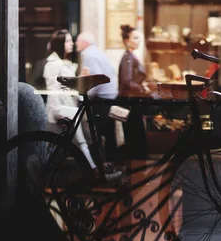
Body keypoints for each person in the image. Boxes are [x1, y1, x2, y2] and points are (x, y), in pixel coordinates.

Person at [42, 29, 121, 182]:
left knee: (62, 147)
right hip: (61, 110)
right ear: (60, 44)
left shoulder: (64, 63)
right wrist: (57, 111)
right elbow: (53, 90)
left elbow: (72, 89)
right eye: (67, 41)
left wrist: (82, 79)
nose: (71, 44)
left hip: (70, 108)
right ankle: (95, 172)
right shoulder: (53, 64)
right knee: (80, 142)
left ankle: (95, 170)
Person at [76, 32, 119, 162]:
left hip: (100, 99)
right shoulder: (98, 52)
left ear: (84, 43)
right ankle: (112, 165)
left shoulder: (87, 54)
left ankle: (96, 168)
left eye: (78, 41)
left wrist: (84, 96)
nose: (75, 44)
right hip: (110, 97)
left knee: (94, 135)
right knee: (110, 134)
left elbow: (94, 78)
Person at [117, 25, 150, 161]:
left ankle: (136, 174)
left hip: (132, 101)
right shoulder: (128, 58)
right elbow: (126, 82)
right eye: (135, 38)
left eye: (139, 38)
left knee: (135, 139)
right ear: (126, 40)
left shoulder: (130, 56)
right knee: (135, 140)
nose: (138, 41)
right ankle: (135, 175)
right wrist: (143, 89)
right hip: (129, 102)